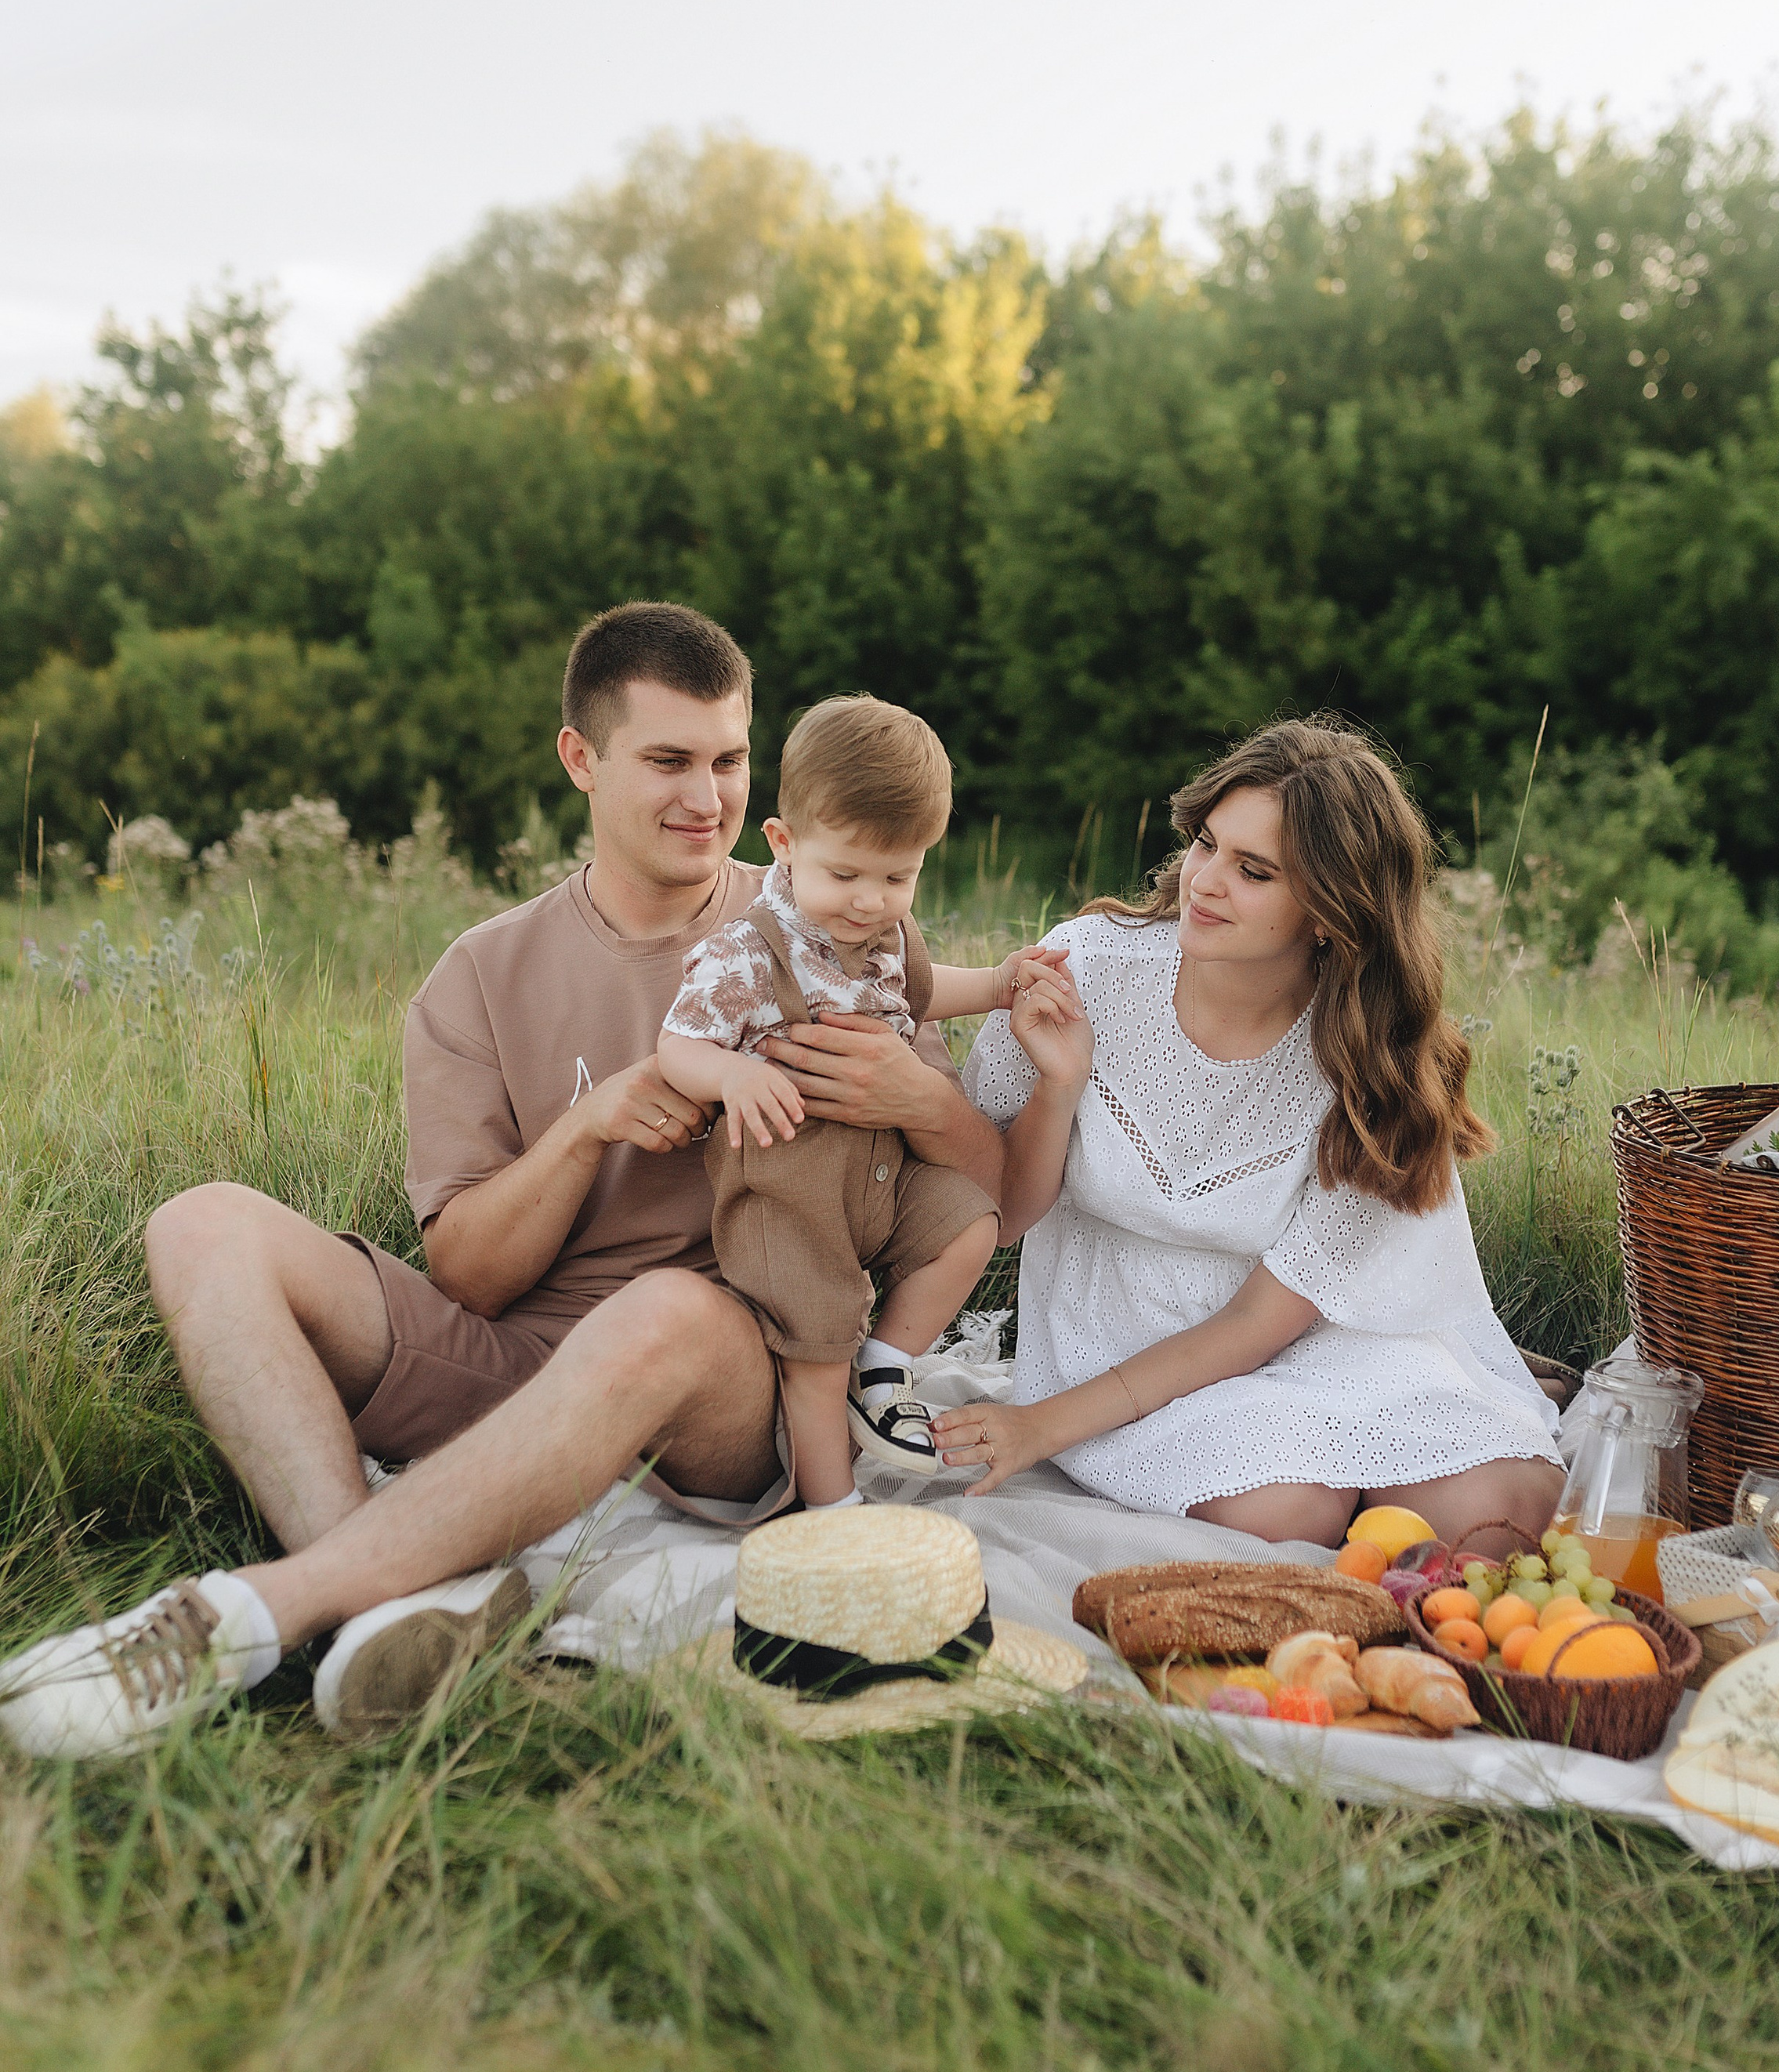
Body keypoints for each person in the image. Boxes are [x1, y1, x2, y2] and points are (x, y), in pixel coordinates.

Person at [0, 603, 1003, 1759]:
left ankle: (267, 1609)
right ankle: (393, 1601)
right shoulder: (480, 971)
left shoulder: (829, 921)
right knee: (201, 1223)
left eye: (727, 759)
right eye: (667, 760)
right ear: (581, 758)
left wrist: (923, 1097)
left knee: (663, 1311)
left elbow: (986, 1203)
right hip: (517, 1353)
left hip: (723, 1372)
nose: (706, 795)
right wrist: (589, 1127)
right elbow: (469, 1274)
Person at [930, 719, 1563, 1548]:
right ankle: (1364, 1496)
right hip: (1116, 1340)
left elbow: (1259, 1322)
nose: (1204, 882)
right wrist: (1059, 1086)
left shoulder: (1375, 1064)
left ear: (1332, 913)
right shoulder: (1083, 969)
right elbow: (998, 1215)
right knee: (1285, 1511)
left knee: (1501, 1508)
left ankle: (1441, 1446)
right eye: (1205, 844)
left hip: (1304, 1333)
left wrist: (1038, 1430)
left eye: (1253, 870)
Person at [658, 693, 1057, 1503]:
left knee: (968, 1222)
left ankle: (887, 1364)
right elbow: (678, 1044)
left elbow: (918, 989)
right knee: (816, 1350)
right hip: (788, 1194)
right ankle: (832, 1506)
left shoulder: (882, 934)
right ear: (783, 841)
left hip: (885, 1174)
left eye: (897, 876)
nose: (870, 900)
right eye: (844, 873)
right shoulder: (743, 954)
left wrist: (995, 984)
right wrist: (732, 1074)